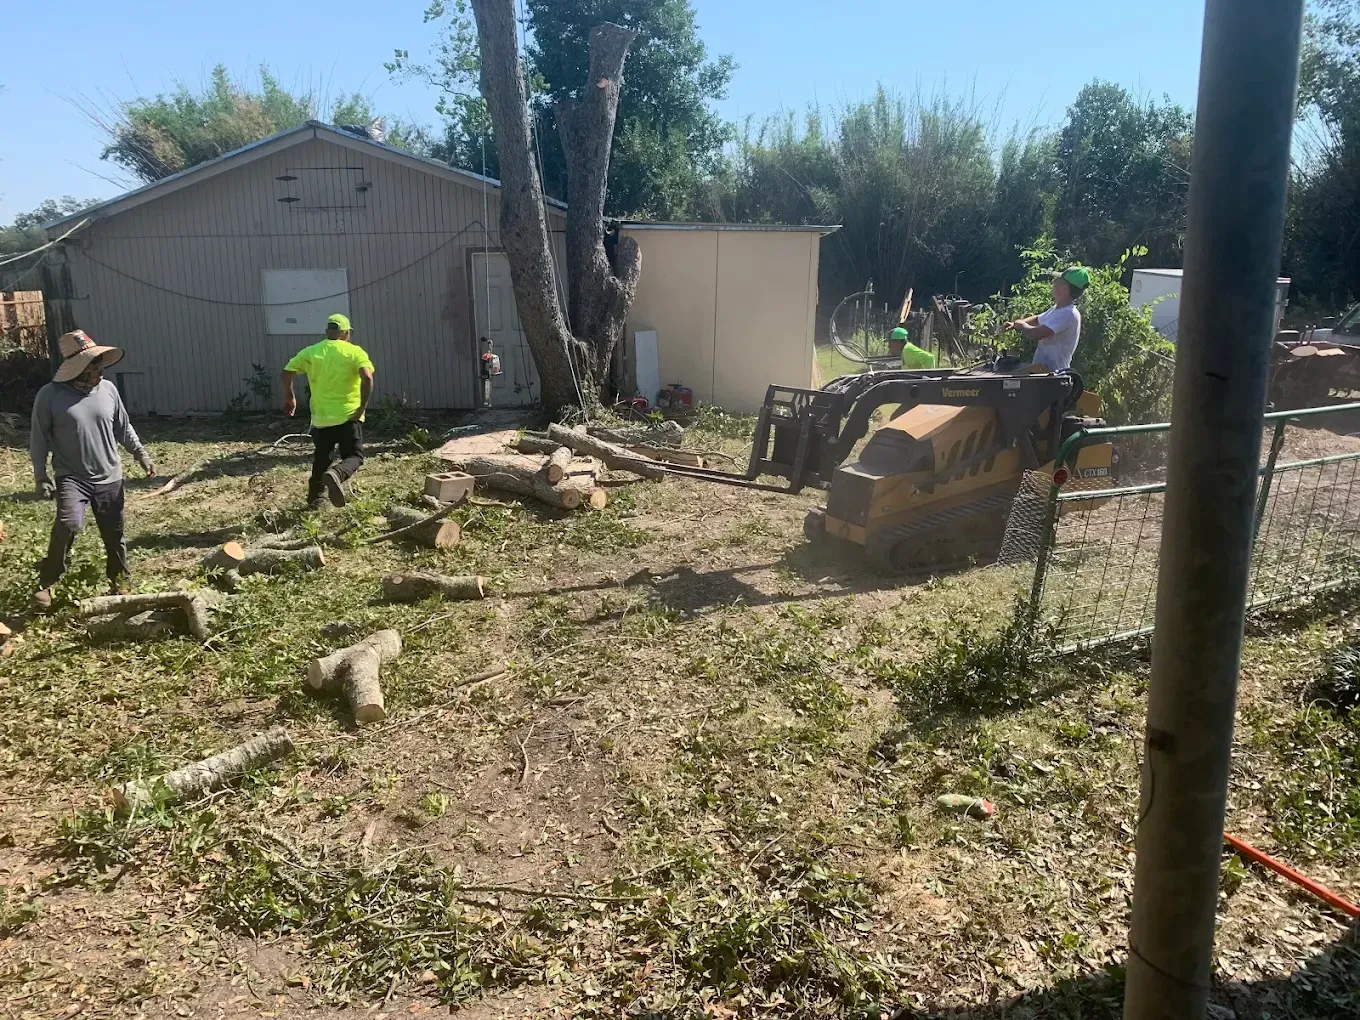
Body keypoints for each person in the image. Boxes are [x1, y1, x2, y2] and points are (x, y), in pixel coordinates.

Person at [30, 329, 156, 610]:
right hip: (72, 476)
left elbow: (123, 427)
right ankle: (48, 582)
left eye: (99, 364)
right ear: (76, 369)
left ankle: (119, 580)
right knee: (69, 522)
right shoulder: (50, 396)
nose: (99, 370)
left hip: (110, 474)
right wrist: (40, 476)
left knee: (114, 534)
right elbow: (39, 438)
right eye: (92, 365)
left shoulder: (108, 390)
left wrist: (141, 455)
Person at [281, 313, 375, 508]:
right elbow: (367, 377)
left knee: (322, 459)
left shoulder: (311, 352)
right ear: (346, 333)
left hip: (321, 419)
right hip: (348, 416)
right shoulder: (354, 352)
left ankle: (314, 500)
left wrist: (290, 397)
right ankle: (337, 474)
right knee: (354, 457)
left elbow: (286, 373)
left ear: (327, 332)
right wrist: (361, 408)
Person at [1004, 265, 1090, 372]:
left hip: (1053, 374)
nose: (1053, 282)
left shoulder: (1068, 314)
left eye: (1057, 280)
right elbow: (1037, 319)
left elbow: (1037, 334)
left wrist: (1022, 326)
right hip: (1042, 371)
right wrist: (1014, 324)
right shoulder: (1057, 309)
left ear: (1064, 288)